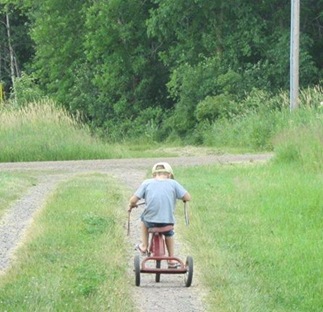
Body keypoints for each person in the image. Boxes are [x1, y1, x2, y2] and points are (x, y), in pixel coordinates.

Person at [128, 162, 191, 268]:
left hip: (150, 222)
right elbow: (188, 197)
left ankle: (144, 246)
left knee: (143, 219)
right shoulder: (173, 183)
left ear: (153, 175)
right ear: (170, 175)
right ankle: (171, 259)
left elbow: (133, 200)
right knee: (169, 233)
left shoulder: (147, 183)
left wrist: (132, 205)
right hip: (167, 223)